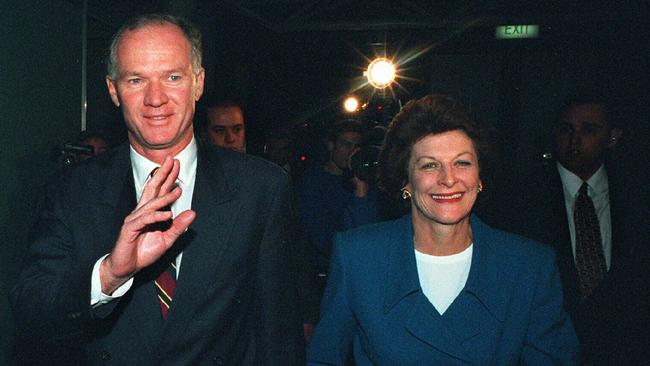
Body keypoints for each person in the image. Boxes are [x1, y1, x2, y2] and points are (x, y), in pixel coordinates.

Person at [10, 14, 304, 365]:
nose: (155, 98)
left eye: (173, 77)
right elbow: (31, 311)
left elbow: (278, 333)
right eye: (136, 80)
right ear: (113, 90)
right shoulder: (71, 190)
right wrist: (109, 275)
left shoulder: (261, 188)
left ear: (198, 83)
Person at [306, 94, 579, 365]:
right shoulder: (359, 257)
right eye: (429, 165)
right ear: (405, 182)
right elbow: (323, 358)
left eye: (462, 162)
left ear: (479, 177)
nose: (448, 179)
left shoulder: (528, 266)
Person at [487, 96, 650, 365]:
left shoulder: (635, 197)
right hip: (546, 343)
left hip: (625, 346)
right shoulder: (520, 197)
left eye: (588, 130)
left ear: (612, 137)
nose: (575, 140)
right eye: (566, 129)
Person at [294, 119, 379, 290]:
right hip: (323, 277)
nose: (351, 152)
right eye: (346, 145)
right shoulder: (312, 182)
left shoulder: (364, 182)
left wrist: (361, 190)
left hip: (358, 273)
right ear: (331, 145)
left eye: (356, 146)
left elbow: (371, 231)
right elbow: (322, 237)